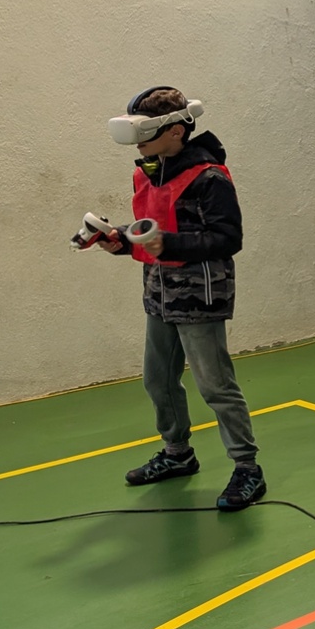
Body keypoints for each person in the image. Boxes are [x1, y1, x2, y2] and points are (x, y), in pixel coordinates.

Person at [93, 87, 266, 511]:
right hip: (160, 294)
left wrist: (168, 244)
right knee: (158, 379)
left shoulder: (209, 177)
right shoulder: (149, 173)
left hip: (199, 295)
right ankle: (177, 453)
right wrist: (121, 240)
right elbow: (152, 230)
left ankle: (248, 469)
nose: (137, 143)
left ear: (174, 131)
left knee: (215, 385)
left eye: (145, 134)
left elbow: (228, 238)